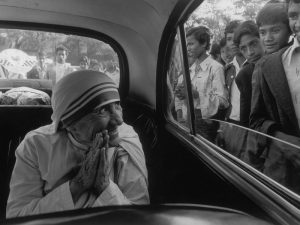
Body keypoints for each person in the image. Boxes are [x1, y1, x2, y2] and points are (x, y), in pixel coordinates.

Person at [6, 70, 149, 218]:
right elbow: (18, 216)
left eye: (117, 105)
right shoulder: (36, 145)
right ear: (69, 123)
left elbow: (140, 216)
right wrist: (77, 185)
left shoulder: (126, 140)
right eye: (101, 110)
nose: (118, 120)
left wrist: (105, 187)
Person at [248, 0, 300, 193]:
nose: (268, 38)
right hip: (286, 173)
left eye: (275, 31)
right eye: (294, 15)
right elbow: (254, 121)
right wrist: (285, 142)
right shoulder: (265, 66)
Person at [233, 21, 264, 127]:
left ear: (262, 38)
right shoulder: (244, 76)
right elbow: (246, 120)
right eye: (243, 48)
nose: (250, 52)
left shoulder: (285, 61)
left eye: (253, 44)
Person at [224, 20, 246, 125]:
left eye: (237, 37)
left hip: (252, 126)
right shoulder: (227, 69)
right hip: (230, 123)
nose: (233, 42)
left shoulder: (257, 66)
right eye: (229, 39)